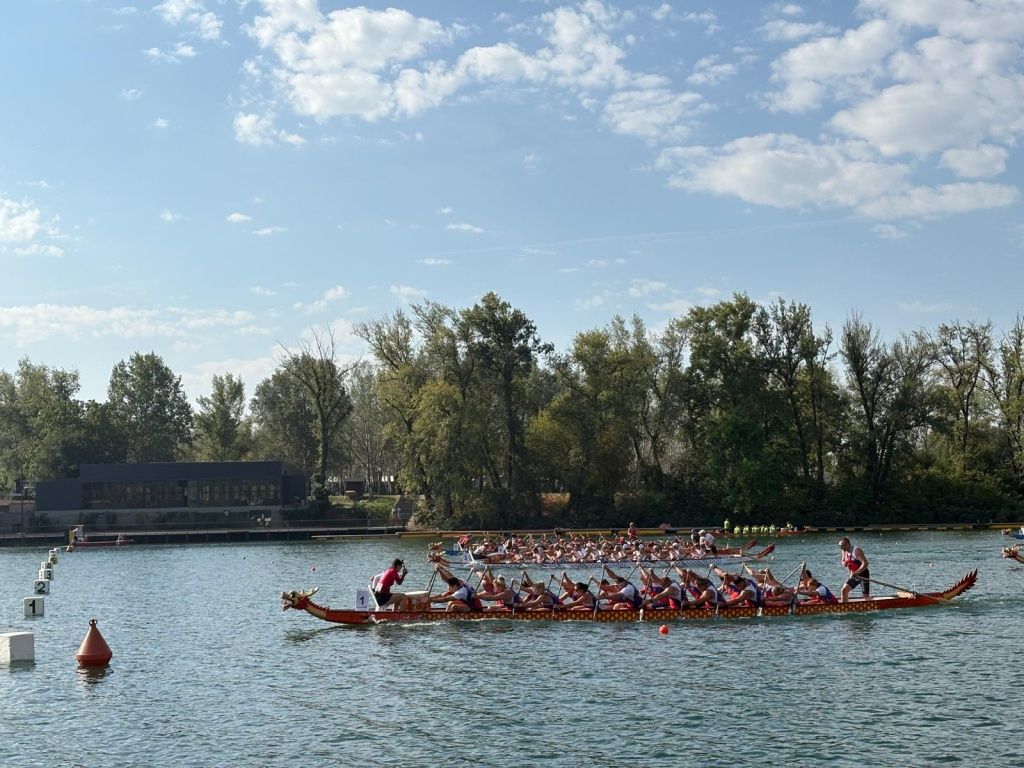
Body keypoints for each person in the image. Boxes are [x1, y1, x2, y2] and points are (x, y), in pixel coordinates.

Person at [838, 537, 870, 602]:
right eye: (840, 546)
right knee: (844, 590)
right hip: (854, 575)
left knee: (865, 595)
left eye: (842, 546)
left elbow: (865, 563)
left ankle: (873, 604)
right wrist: (844, 563)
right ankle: (845, 607)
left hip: (863, 574)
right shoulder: (844, 551)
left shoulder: (856, 551)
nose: (841, 548)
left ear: (847, 544)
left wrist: (856, 573)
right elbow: (843, 561)